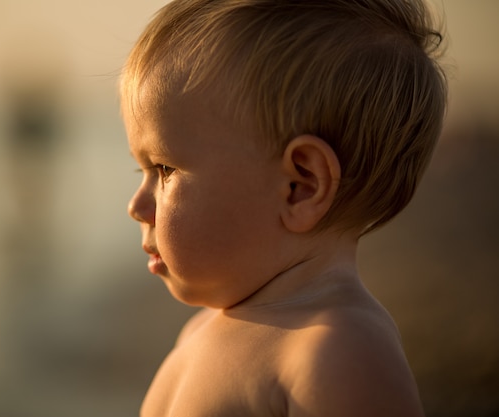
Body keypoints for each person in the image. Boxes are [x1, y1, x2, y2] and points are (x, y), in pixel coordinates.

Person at [120, 0, 446, 415]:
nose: (136, 205)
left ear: (300, 186)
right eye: (140, 170)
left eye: (164, 169)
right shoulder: (201, 330)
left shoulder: (337, 352)